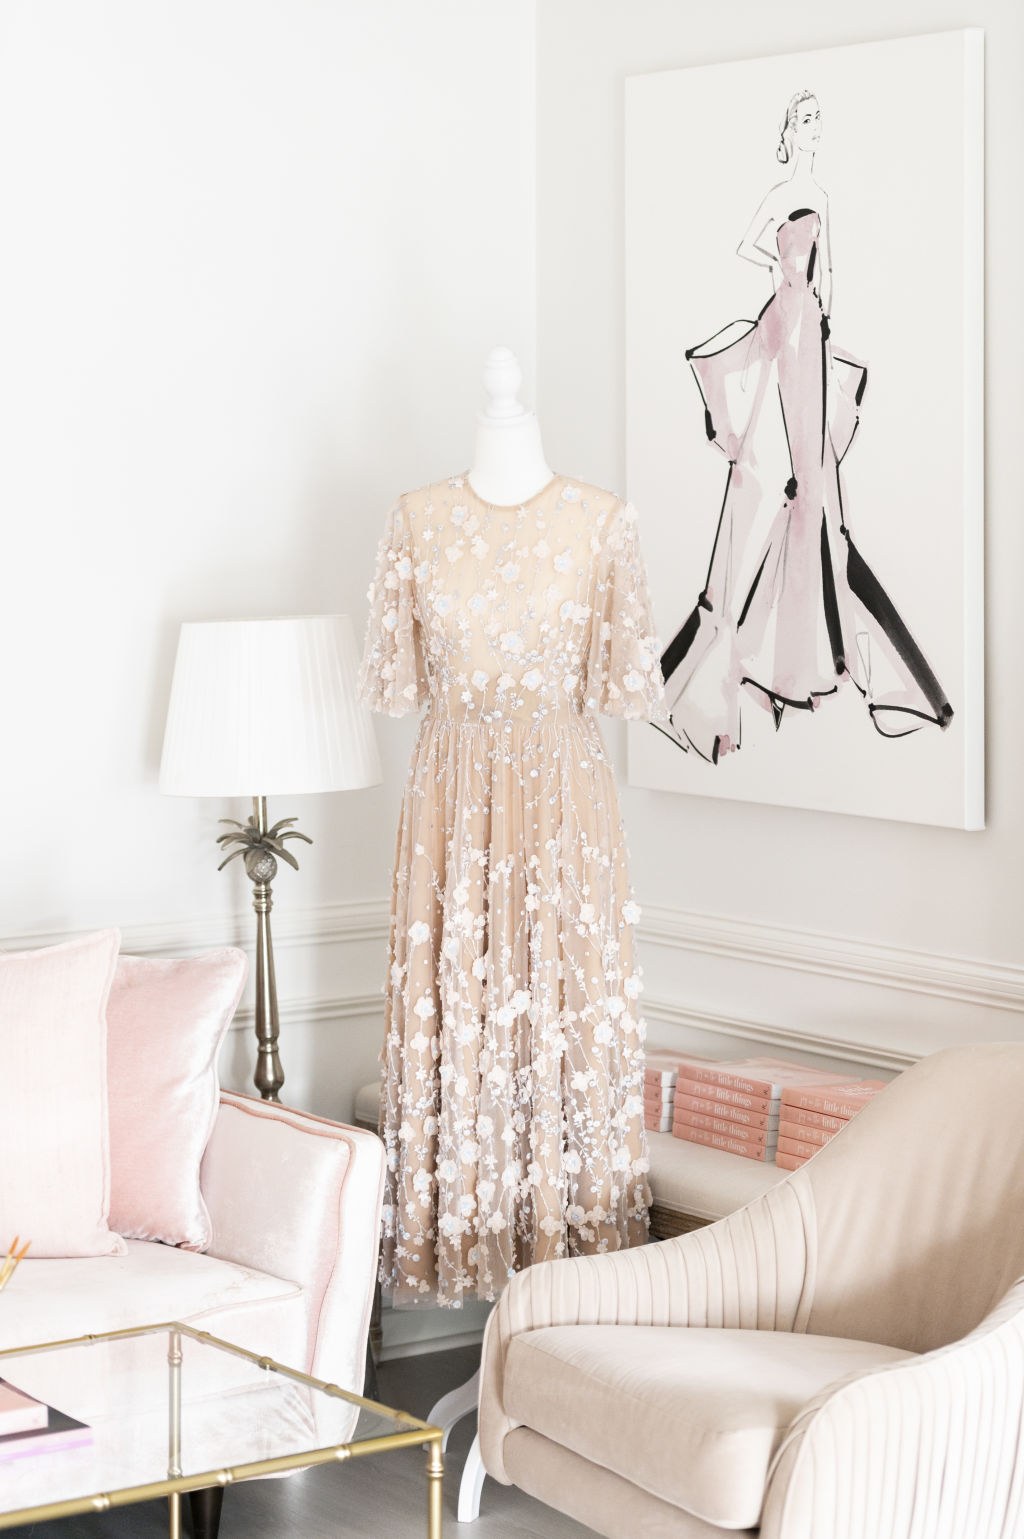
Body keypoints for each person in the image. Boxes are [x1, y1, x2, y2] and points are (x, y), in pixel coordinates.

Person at [661, 90, 952, 763]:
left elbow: (837, 265)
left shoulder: (822, 190)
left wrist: (823, 310)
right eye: (807, 119)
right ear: (791, 130)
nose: (815, 128)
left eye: (820, 119)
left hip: (813, 329)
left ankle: (803, 656)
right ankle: (748, 662)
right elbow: (745, 244)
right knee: (792, 477)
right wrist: (781, 274)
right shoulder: (784, 189)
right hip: (785, 323)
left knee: (818, 491)